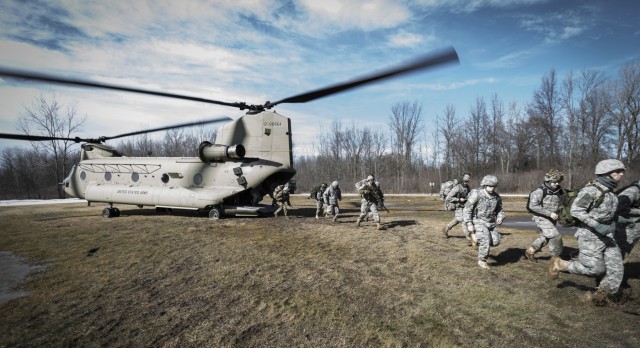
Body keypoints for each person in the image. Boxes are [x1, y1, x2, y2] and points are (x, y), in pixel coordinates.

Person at [548, 159, 625, 306]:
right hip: (590, 235)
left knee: (616, 267)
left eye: (622, 171)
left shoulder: (610, 192)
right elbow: (577, 210)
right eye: (617, 172)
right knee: (596, 269)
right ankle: (560, 264)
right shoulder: (592, 190)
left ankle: (602, 296)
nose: (621, 174)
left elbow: (606, 212)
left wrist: (620, 219)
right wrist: (597, 225)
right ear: (606, 173)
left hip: (607, 236)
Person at [463, 175, 505, 269]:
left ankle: (475, 237)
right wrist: (469, 224)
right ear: (485, 185)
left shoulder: (496, 197)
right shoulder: (476, 194)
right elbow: (466, 208)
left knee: (495, 242)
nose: (492, 188)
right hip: (478, 221)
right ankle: (482, 260)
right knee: (485, 240)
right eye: (490, 186)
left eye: (494, 186)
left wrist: (500, 217)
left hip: (491, 223)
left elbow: (500, 209)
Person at [524, 169, 566, 262]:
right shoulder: (539, 192)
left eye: (558, 182)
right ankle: (556, 260)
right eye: (554, 182)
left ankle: (530, 252)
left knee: (545, 238)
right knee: (555, 236)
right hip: (541, 218)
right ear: (548, 182)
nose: (557, 184)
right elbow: (532, 206)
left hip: (552, 218)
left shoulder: (558, 191)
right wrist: (549, 213)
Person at [615, 181, 640, 260]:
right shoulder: (632, 191)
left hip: (635, 227)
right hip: (627, 228)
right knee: (620, 252)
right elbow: (619, 208)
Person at [443, 173, 472, 240]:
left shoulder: (467, 188)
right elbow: (448, 198)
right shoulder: (457, 188)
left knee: (458, 219)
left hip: (465, 205)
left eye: (467, 181)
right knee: (463, 220)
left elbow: (469, 196)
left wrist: (470, 205)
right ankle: (468, 237)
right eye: (465, 181)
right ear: (462, 180)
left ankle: (447, 227)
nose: (466, 183)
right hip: (458, 205)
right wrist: (458, 199)